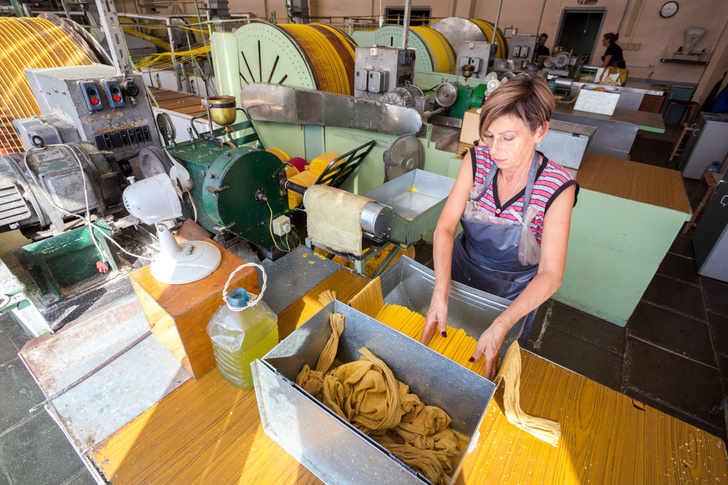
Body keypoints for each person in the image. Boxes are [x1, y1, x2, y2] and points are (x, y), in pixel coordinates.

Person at [420, 76, 578, 381]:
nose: (494, 149)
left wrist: (503, 323)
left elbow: (551, 273)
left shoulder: (557, 186)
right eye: (488, 136)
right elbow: (445, 228)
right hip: (461, 275)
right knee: (448, 351)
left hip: (514, 294)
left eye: (508, 138)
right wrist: (441, 291)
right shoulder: (476, 161)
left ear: (540, 131)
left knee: (490, 364)